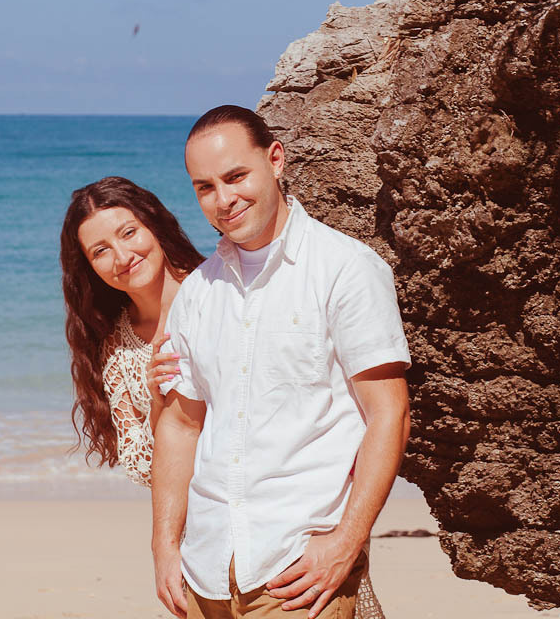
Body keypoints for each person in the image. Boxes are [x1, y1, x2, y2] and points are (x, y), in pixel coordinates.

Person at [152, 106, 410, 619]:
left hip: (295, 572)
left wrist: (347, 540)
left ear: (275, 160)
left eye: (235, 176)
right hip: (205, 572)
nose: (224, 199)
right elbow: (181, 425)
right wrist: (164, 545)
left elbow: (390, 414)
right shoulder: (198, 291)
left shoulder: (346, 269)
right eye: (205, 187)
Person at [60, 176, 202, 487]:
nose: (123, 257)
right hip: (188, 511)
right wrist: (158, 406)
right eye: (101, 251)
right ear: (89, 268)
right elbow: (140, 469)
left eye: (128, 233)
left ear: (153, 224)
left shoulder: (215, 291)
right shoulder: (117, 347)